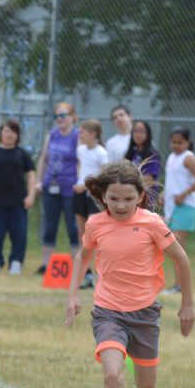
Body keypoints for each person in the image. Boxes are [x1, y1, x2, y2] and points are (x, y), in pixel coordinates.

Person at [65, 160, 194, 388]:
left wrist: (187, 304)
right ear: (103, 197)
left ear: (140, 196)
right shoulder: (95, 224)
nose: (120, 205)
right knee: (112, 375)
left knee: (146, 386)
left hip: (145, 314)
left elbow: (181, 259)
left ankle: (135, 353)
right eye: (113, 199)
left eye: (127, 198)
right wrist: (72, 295)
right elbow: (83, 256)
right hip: (108, 311)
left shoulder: (152, 223)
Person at [0, 120, 36, 275]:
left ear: (17, 135)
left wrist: (31, 196)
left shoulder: (22, 154)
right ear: (1, 134)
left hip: (19, 204)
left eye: (12, 131)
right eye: (5, 131)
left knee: (19, 234)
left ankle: (16, 262)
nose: (8, 134)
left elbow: (31, 175)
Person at [162, 127, 195, 293]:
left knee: (177, 248)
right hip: (173, 207)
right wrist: (163, 194)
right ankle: (178, 285)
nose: (176, 145)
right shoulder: (172, 157)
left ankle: (180, 286)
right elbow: (172, 181)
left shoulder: (188, 157)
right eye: (173, 142)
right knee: (174, 247)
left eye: (180, 142)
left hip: (185, 207)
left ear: (188, 143)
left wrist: (184, 194)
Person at [35, 102, 80, 274]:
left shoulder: (77, 135)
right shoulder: (52, 134)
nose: (59, 119)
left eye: (63, 115)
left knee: (73, 226)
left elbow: (79, 161)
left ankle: (77, 264)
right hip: (51, 186)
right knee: (49, 225)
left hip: (70, 187)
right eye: (56, 116)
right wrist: (39, 182)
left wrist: (80, 181)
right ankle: (46, 264)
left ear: (73, 117)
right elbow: (44, 159)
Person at [73, 119, 109, 289]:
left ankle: (100, 275)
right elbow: (81, 169)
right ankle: (85, 275)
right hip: (80, 195)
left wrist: (87, 186)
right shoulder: (80, 150)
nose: (80, 135)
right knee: (83, 235)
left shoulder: (101, 152)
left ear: (92, 134)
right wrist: (79, 183)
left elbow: (104, 178)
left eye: (83, 132)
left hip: (93, 197)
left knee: (94, 235)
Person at [125, 120, 161, 203]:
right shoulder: (132, 153)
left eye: (141, 131)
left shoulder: (152, 154)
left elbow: (149, 180)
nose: (138, 135)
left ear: (148, 134)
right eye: (135, 131)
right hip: (131, 196)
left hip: (146, 198)